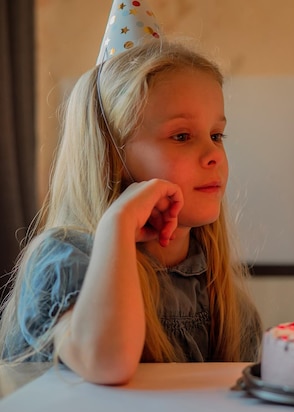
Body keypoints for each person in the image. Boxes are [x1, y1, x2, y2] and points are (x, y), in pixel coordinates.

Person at [0, 23, 261, 383]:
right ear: (112, 156)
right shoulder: (66, 261)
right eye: (182, 136)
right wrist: (117, 224)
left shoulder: (226, 300)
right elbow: (107, 362)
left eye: (216, 135)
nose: (213, 154)